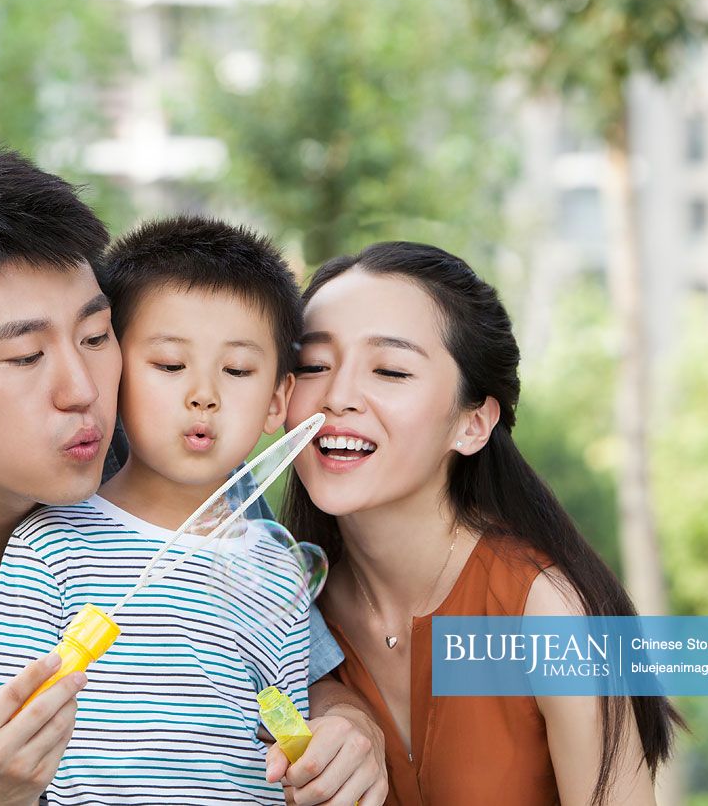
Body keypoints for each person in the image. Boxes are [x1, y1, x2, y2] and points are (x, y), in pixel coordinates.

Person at [0, 134, 385, 805]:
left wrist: (348, 725)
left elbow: (282, 675)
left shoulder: (171, 447)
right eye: (25, 356)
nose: (82, 387)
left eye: (94, 335)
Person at [0, 216, 384, 806]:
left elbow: (280, 719)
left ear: (277, 401)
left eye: (236, 371)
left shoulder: (275, 567)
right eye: (168, 365)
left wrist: (310, 759)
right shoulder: (50, 546)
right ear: (115, 374)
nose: (203, 394)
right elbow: (0, 730)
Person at [282, 241, 684, 806]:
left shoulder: (548, 613)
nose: (338, 395)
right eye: (312, 366)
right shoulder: (278, 607)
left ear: (472, 424)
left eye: (391, 370)